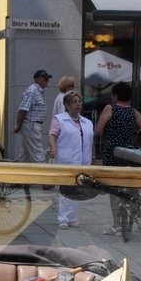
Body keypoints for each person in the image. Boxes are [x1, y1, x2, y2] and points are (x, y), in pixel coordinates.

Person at [95, 83, 141, 234]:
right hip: (129, 152)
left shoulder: (110, 109)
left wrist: (108, 134)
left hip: (112, 152)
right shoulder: (134, 112)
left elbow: (98, 130)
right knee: (129, 181)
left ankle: (117, 225)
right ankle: (134, 201)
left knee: (114, 189)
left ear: (115, 96)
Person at [48, 90, 94, 228]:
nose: (78, 105)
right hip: (66, 159)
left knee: (80, 189)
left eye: (80, 102)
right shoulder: (59, 119)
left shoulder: (87, 122)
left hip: (83, 159)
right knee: (66, 189)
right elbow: (52, 135)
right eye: (74, 102)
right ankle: (63, 218)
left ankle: (72, 217)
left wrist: (93, 157)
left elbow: (91, 142)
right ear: (67, 105)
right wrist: (53, 147)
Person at [14, 69, 51, 162]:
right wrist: (18, 126)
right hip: (31, 125)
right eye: (45, 79)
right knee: (38, 155)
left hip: (32, 125)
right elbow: (22, 110)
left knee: (24, 156)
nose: (47, 81)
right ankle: (44, 174)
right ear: (38, 79)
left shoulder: (38, 91)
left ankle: (20, 173)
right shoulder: (32, 91)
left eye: (48, 79)